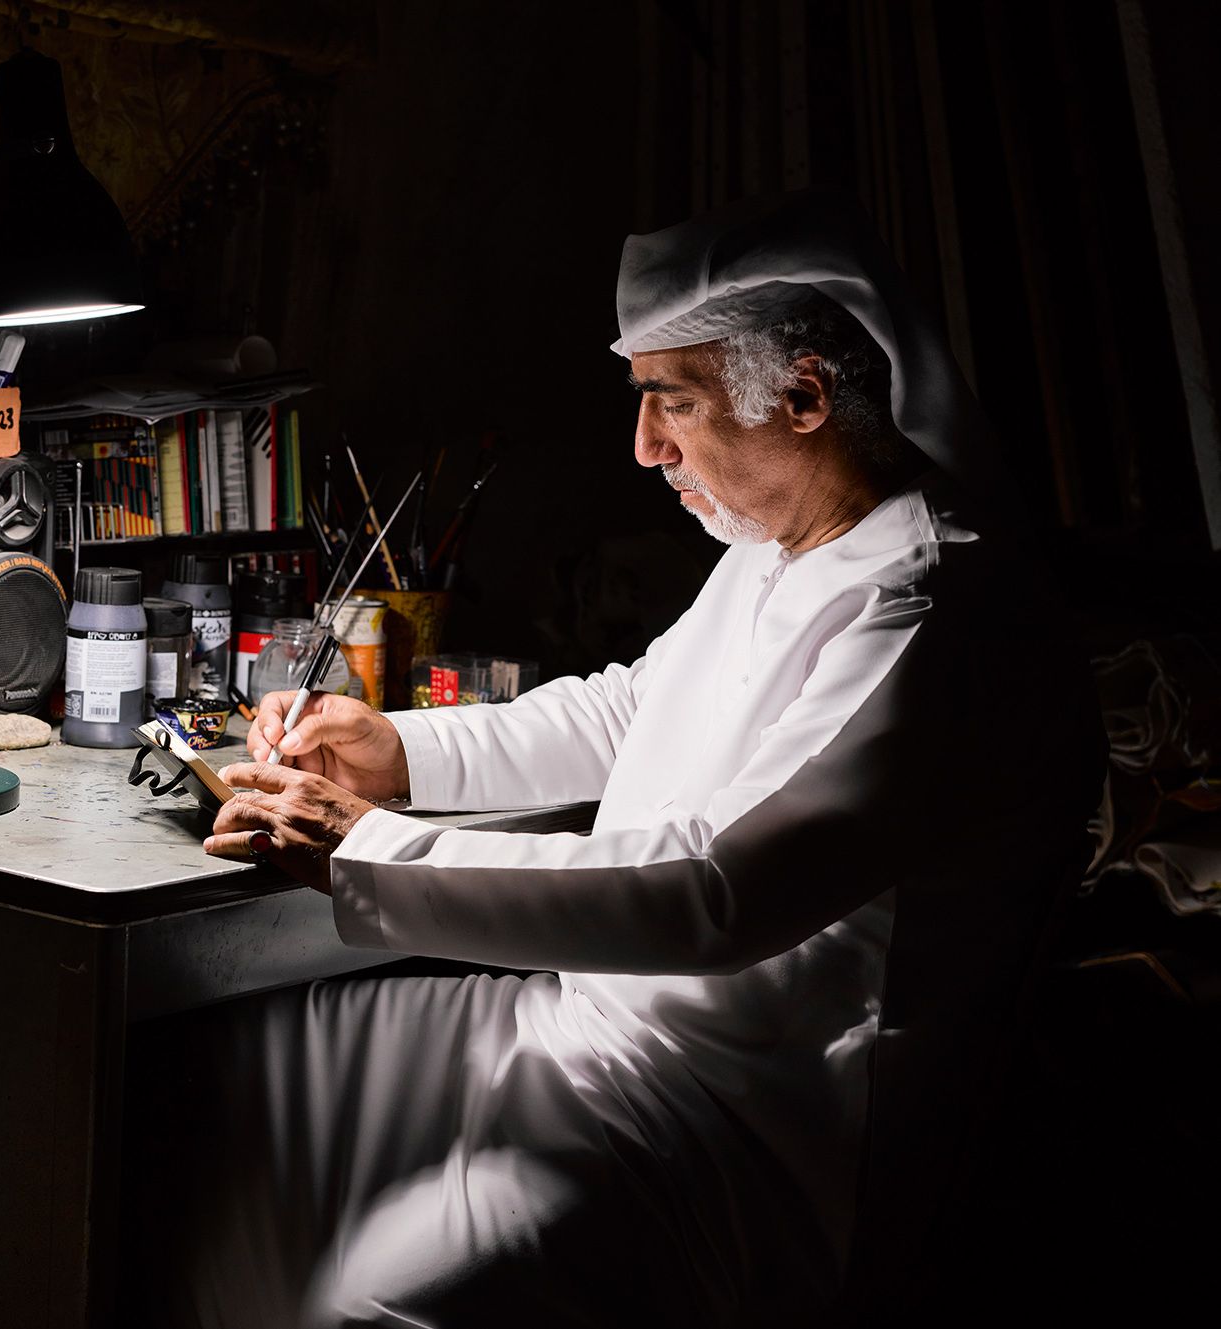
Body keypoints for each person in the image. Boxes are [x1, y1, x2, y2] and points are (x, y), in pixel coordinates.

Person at [130, 192, 1104, 1327]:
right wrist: (399, 750)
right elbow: (626, 707)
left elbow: (719, 889)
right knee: (182, 1098)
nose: (643, 448)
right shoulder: (780, 545)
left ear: (801, 395)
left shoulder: (928, 611)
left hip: (732, 1136)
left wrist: (370, 849)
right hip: (582, 1032)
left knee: (381, 1308)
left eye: (670, 403)